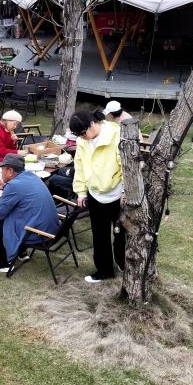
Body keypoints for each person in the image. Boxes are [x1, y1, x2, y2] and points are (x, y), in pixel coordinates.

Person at [69, 110, 125, 283]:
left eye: (83, 133)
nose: (82, 137)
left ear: (92, 124)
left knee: (121, 233)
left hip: (117, 193)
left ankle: (123, 263)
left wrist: (126, 191)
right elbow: (79, 167)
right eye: (78, 135)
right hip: (95, 194)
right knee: (99, 235)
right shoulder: (82, 142)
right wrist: (81, 191)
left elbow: (126, 165)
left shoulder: (115, 135)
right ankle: (104, 270)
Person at [0, 153, 60, 273]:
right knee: (18, 212)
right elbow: (23, 193)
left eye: (2, 169)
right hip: (52, 228)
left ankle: (1, 263)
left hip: (38, 234)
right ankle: (21, 252)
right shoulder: (31, 176)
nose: (1, 172)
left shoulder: (14, 186)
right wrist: (5, 187)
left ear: (10, 171)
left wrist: (7, 189)